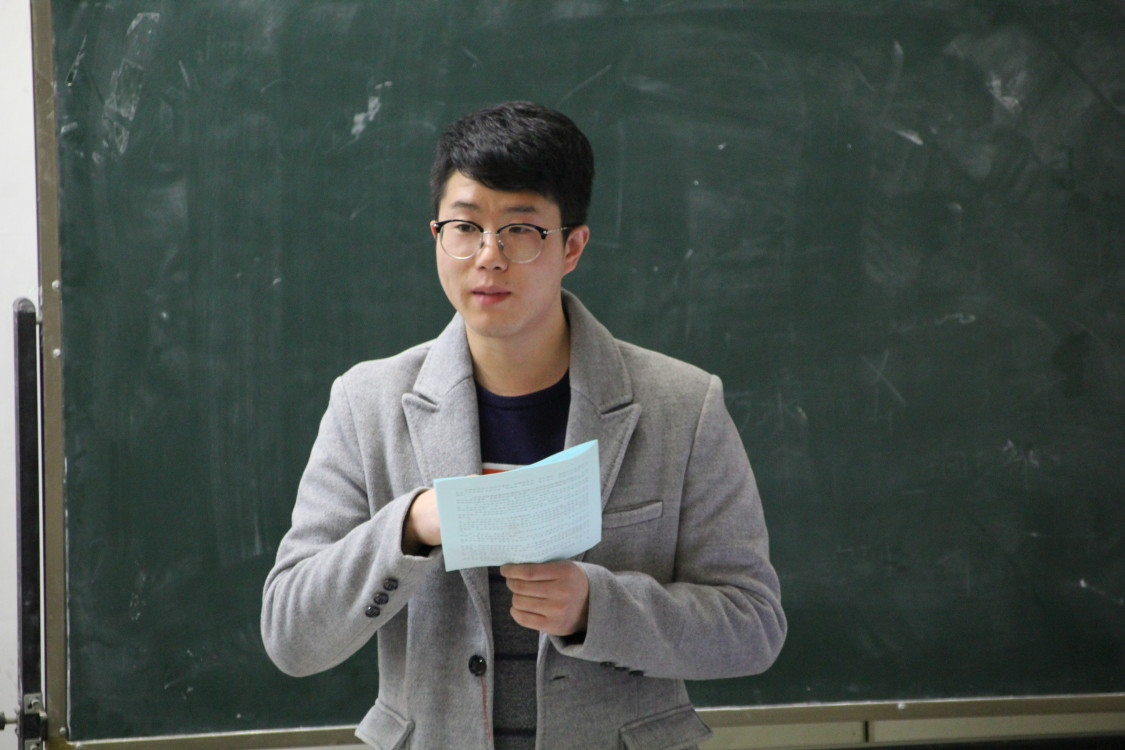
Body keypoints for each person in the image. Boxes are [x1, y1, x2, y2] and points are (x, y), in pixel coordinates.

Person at [261, 101, 786, 750]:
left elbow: (752, 626)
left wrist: (596, 608)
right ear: (437, 235)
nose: (488, 256)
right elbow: (291, 637)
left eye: (520, 230)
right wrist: (413, 525)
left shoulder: (682, 405)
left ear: (572, 246)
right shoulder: (366, 403)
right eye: (465, 226)